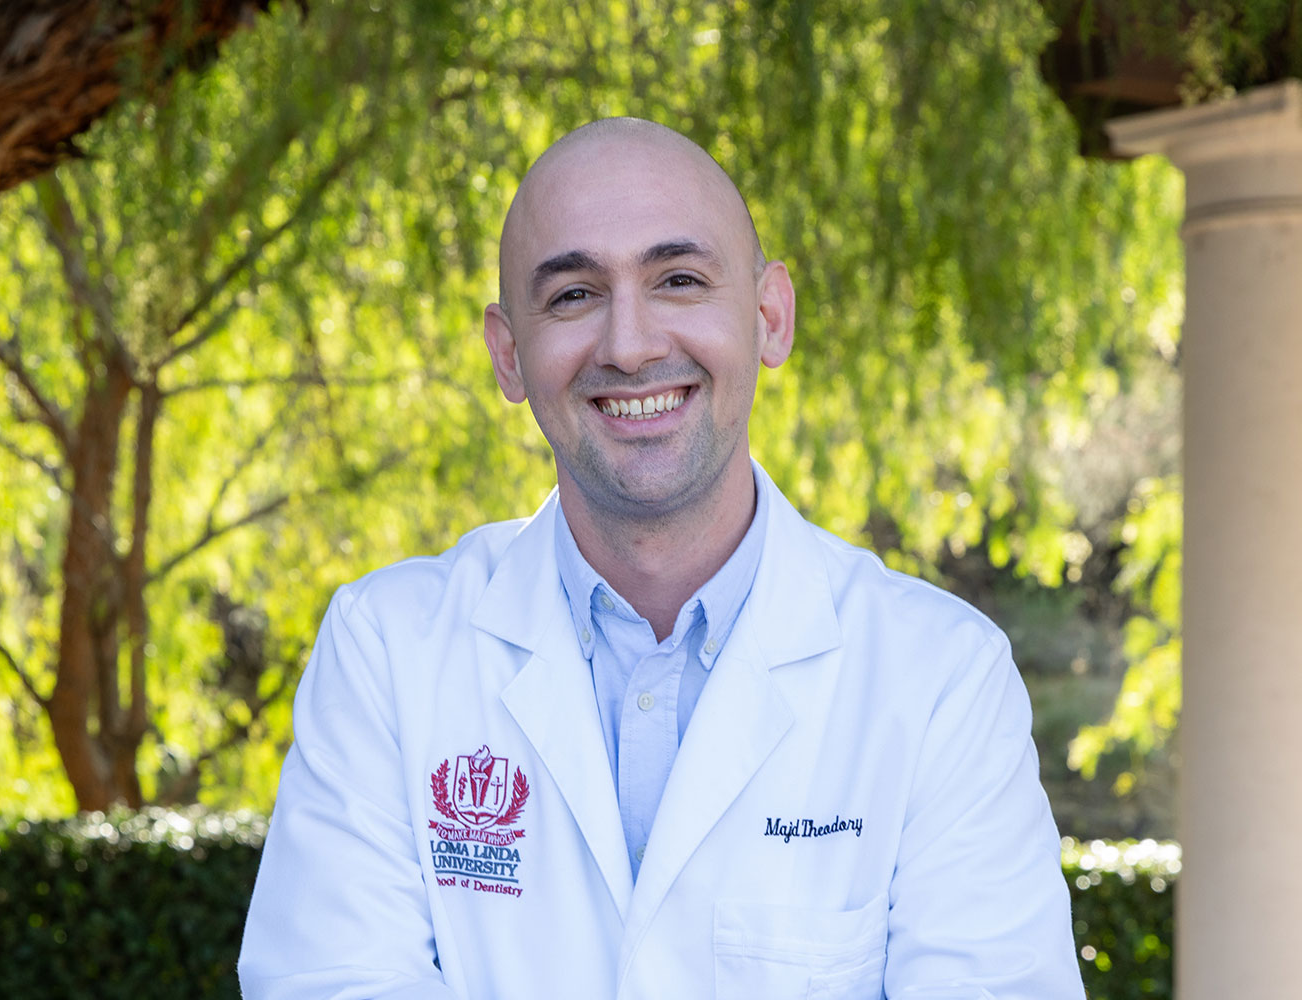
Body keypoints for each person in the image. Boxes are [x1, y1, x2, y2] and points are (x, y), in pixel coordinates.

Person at [236, 118, 1084, 999]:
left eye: (679, 280)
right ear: (507, 353)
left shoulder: (940, 676)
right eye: (572, 295)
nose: (630, 345)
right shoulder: (386, 651)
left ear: (769, 318)